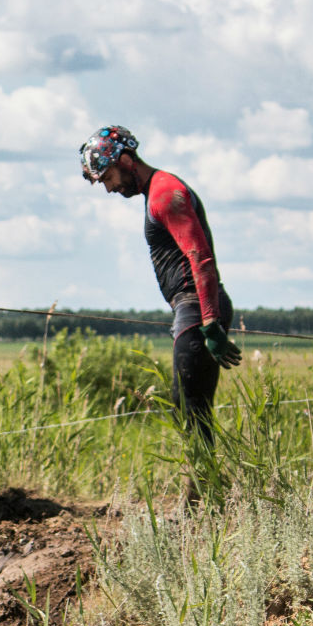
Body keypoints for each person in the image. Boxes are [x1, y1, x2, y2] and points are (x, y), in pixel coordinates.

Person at [79, 125, 242, 446]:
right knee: (187, 411)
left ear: (125, 161)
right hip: (192, 309)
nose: (109, 189)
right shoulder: (155, 192)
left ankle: (202, 496)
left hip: (198, 309)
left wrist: (209, 324)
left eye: (108, 177)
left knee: (192, 414)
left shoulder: (165, 193)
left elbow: (200, 256)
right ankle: (202, 493)